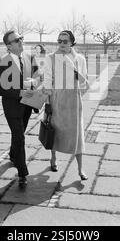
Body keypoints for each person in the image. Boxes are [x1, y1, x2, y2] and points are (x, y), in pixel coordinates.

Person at [0, 31, 40, 189]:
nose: (21, 41)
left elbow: (39, 76)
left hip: (28, 104)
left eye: (21, 38)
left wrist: (33, 81)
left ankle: (13, 154)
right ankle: (22, 173)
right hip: (12, 106)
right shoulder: (1, 62)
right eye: (16, 40)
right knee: (19, 136)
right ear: (9, 46)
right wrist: (19, 92)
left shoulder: (30, 57)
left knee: (19, 135)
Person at [43, 30, 89, 180]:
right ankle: (53, 159)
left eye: (65, 41)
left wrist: (79, 77)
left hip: (74, 103)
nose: (62, 44)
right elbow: (47, 81)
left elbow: (85, 84)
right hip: (57, 100)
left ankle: (81, 169)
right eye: (59, 41)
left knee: (77, 136)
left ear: (72, 43)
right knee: (54, 132)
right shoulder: (50, 58)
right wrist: (48, 103)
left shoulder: (80, 59)